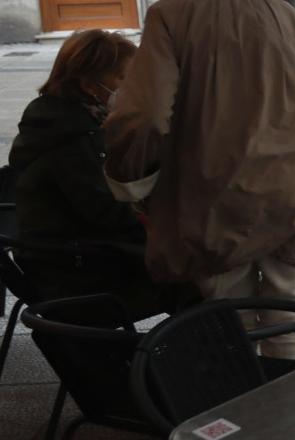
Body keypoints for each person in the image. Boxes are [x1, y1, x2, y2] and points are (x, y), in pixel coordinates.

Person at [105, 0, 295, 359]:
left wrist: (131, 182)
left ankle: (240, 423)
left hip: (214, 198)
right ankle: (292, 419)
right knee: (289, 327)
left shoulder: (171, 17)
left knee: (229, 330)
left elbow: (141, 115)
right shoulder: (284, 13)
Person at [8, 31, 191, 318]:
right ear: (89, 85)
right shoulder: (69, 136)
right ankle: (194, 361)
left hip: (67, 259)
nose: (132, 87)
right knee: (193, 275)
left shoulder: (60, 119)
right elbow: (108, 212)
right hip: (78, 274)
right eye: (123, 78)